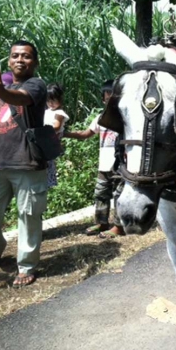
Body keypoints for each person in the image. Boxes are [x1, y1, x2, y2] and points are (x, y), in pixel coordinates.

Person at [0, 40, 47, 287]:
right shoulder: (0, 88)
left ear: (34, 62)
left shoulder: (35, 86)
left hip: (27, 163)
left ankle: (26, 266)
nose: (20, 60)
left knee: (28, 216)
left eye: (26, 56)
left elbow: (19, 98)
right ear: (8, 60)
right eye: (15, 56)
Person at [63, 80, 125, 238]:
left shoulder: (126, 117)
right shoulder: (100, 118)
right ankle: (102, 222)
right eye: (107, 97)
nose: (110, 100)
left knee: (119, 194)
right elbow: (86, 134)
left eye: (114, 97)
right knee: (101, 193)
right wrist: (64, 133)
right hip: (104, 165)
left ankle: (119, 226)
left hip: (121, 164)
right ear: (103, 99)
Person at [44, 83, 69, 187]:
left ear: (60, 99)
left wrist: (43, 130)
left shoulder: (59, 113)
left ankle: (49, 183)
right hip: (45, 140)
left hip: (51, 142)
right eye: (48, 100)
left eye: (54, 100)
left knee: (48, 164)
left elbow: (57, 126)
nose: (51, 103)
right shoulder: (46, 111)